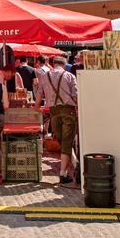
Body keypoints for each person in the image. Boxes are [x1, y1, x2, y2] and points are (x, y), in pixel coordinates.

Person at [37, 56, 79, 185]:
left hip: (53, 111)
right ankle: (63, 173)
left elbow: (39, 95)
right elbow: (75, 96)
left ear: (54, 64)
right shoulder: (69, 76)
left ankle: (74, 162)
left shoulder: (44, 77)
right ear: (64, 65)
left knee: (61, 140)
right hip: (68, 110)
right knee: (66, 141)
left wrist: (36, 108)